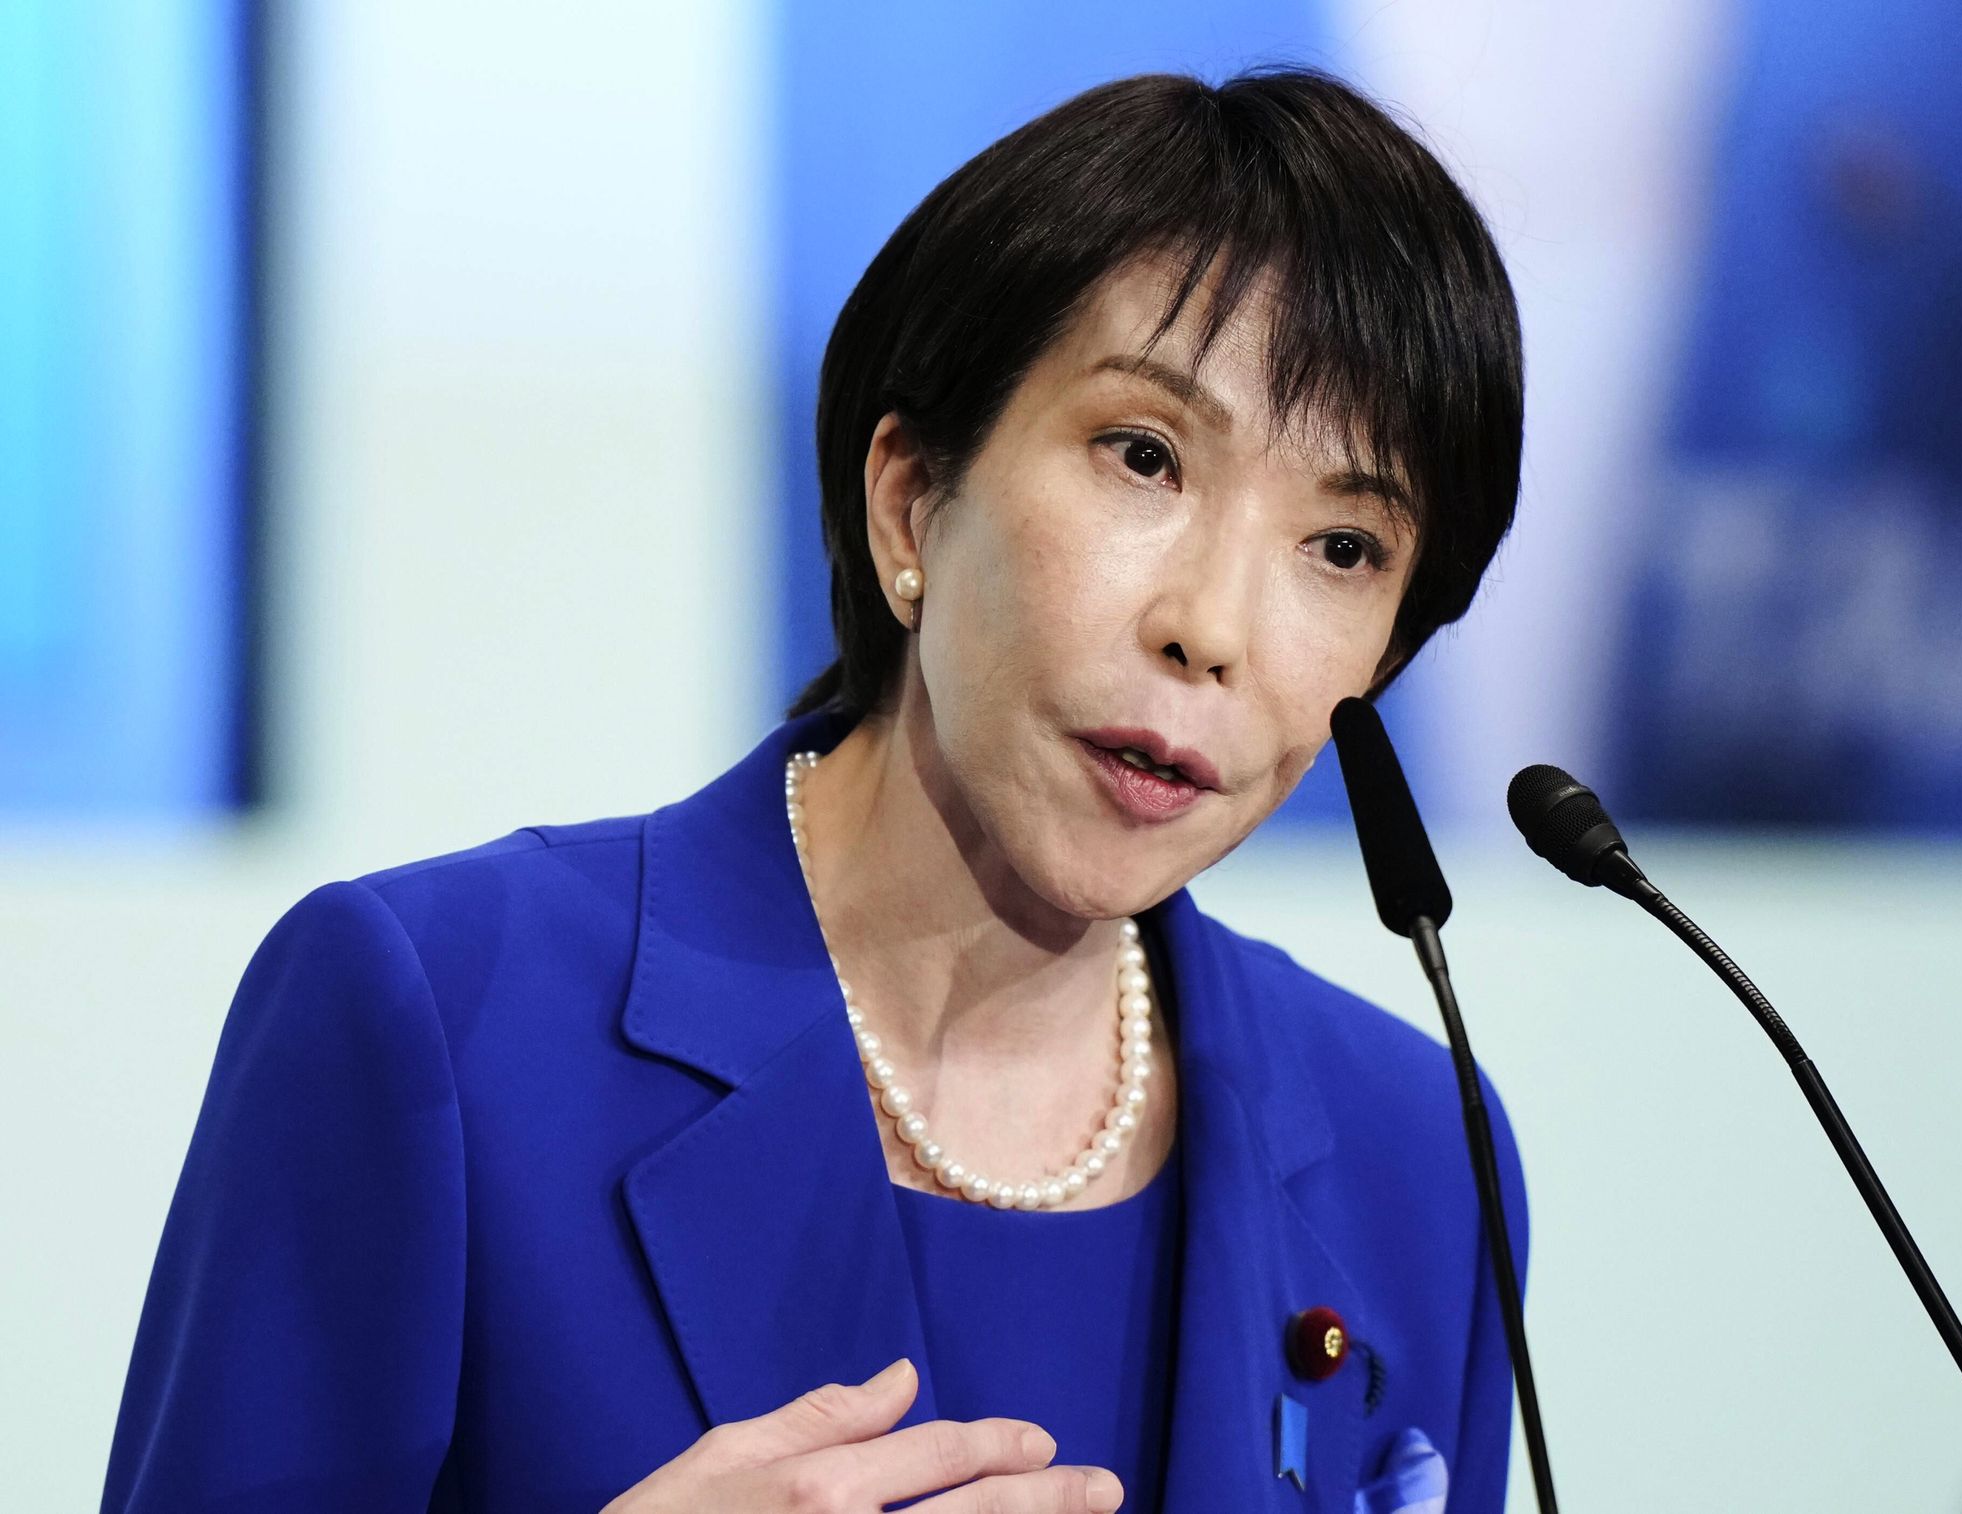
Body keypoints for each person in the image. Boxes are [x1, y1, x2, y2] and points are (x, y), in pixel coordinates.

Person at [101, 65, 1527, 1514]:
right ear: (909, 498)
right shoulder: (439, 1024)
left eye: (1343, 547)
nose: (1213, 629)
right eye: (1144, 456)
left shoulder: (1417, 1159)